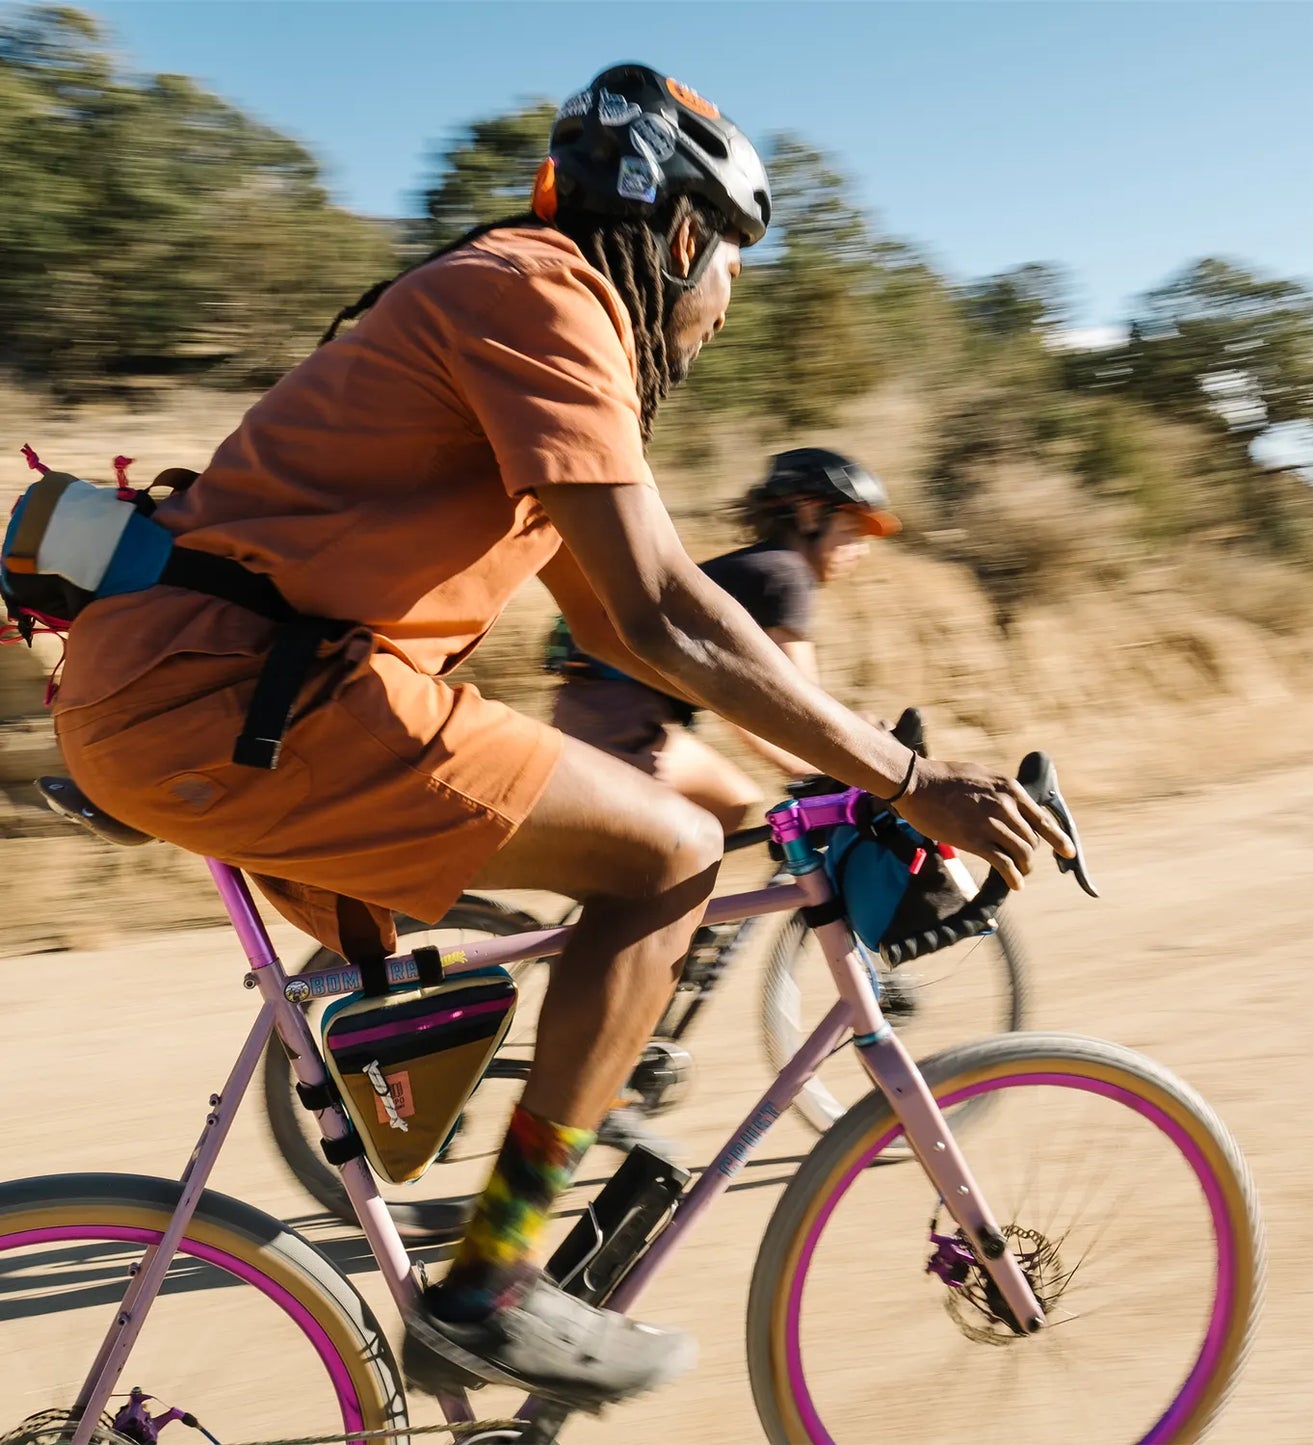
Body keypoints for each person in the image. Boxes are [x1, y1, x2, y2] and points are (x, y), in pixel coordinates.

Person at [50, 64, 1072, 1409]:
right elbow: (661, 613)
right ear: (679, 233)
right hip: (238, 695)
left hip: (218, 694)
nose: (721, 315)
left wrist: (819, 778)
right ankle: (489, 1286)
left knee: (611, 867)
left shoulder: (518, 323)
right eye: (729, 272)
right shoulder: (544, 293)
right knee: (663, 861)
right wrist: (903, 774)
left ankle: (496, 1217)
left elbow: (626, 623)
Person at [548, 447, 902, 834]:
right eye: (851, 532)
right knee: (708, 821)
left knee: (729, 804)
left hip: (601, 707)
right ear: (809, 513)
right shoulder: (786, 575)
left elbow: (752, 699)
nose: (860, 551)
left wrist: (813, 760)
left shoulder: (760, 568)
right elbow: (796, 700)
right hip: (620, 716)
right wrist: (839, 758)